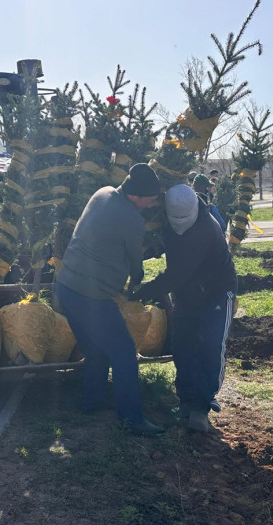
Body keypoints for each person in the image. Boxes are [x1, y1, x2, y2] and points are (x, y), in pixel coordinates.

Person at [55, 163, 164, 436]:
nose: (152, 204)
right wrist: (137, 280)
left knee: (95, 349)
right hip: (91, 296)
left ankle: (92, 402)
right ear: (136, 195)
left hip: (66, 287)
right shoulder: (132, 218)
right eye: (150, 199)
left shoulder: (102, 193)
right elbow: (135, 264)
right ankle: (133, 418)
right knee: (124, 352)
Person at [131, 184, 237, 433]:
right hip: (186, 294)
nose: (179, 223)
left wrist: (141, 292)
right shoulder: (164, 220)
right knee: (182, 346)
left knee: (211, 345)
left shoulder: (205, 229)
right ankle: (186, 400)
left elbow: (175, 276)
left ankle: (201, 405)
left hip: (216, 293)